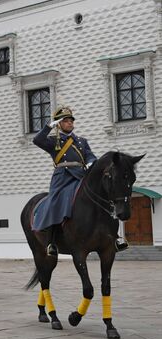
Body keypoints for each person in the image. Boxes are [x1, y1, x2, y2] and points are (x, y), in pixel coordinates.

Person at [32, 106, 128, 255]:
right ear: (59, 124)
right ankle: (51, 241)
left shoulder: (81, 141)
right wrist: (48, 126)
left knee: (104, 197)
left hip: (81, 174)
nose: (70, 123)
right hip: (63, 177)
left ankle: (114, 237)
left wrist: (91, 162)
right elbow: (37, 140)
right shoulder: (53, 141)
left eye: (71, 121)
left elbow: (89, 155)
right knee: (55, 200)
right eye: (66, 121)